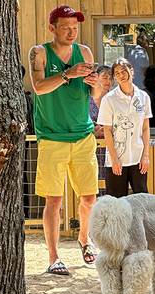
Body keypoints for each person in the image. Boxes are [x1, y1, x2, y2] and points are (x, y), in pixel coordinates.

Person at [28, 5, 100, 273]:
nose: (72, 32)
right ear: (52, 28)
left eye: (75, 27)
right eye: (66, 27)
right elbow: (38, 87)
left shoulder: (85, 52)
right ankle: (54, 258)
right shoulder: (39, 52)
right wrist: (69, 73)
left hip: (83, 134)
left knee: (89, 198)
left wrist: (96, 83)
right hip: (52, 137)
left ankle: (85, 238)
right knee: (54, 201)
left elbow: (94, 95)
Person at [97, 58, 153, 197]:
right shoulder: (109, 99)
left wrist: (145, 156)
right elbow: (107, 131)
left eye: (124, 71)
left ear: (131, 71)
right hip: (117, 160)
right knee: (116, 201)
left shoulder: (144, 97)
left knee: (142, 200)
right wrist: (115, 159)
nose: (121, 75)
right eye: (117, 73)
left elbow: (145, 128)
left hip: (138, 158)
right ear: (114, 77)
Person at [89, 64, 113, 139]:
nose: (108, 81)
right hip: (90, 142)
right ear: (97, 78)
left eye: (111, 78)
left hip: (110, 143)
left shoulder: (114, 99)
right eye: (105, 77)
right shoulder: (87, 100)